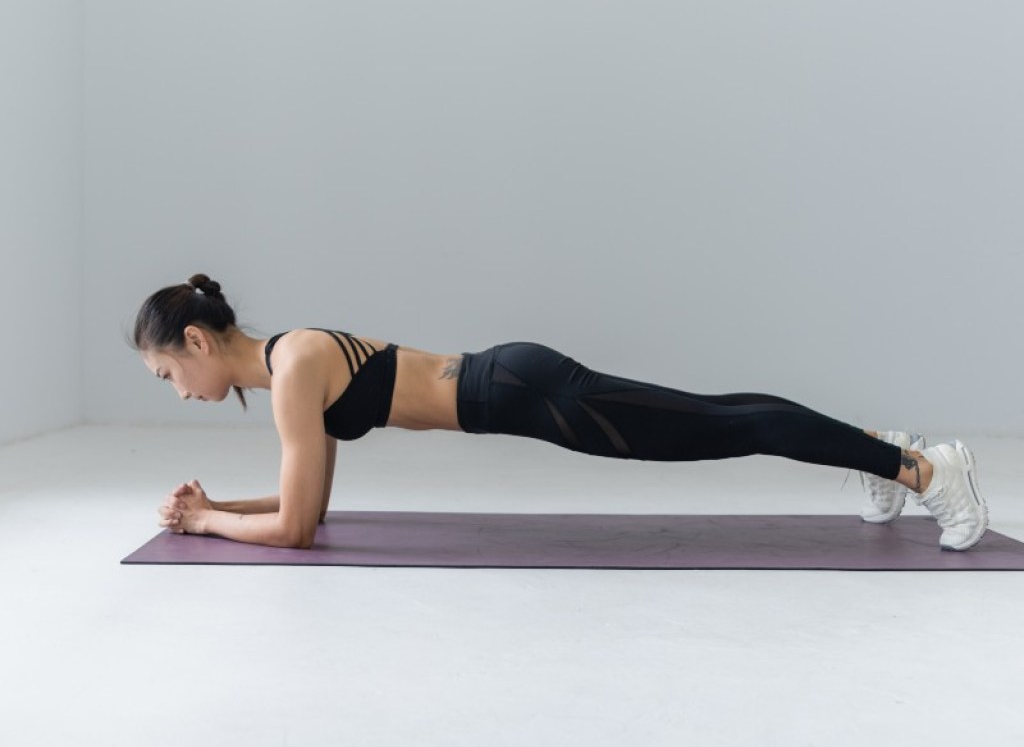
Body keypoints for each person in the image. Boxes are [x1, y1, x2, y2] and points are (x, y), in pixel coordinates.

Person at [132, 274, 989, 552]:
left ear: (200, 342)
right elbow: (300, 499)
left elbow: (300, 528)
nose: (177, 390)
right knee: (722, 417)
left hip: (525, 392)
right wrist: (215, 508)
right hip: (515, 385)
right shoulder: (291, 361)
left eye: (169, 372)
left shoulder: (293, 371)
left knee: (728, 425)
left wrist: (209, 522)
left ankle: (927, 471)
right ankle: (886, 448)